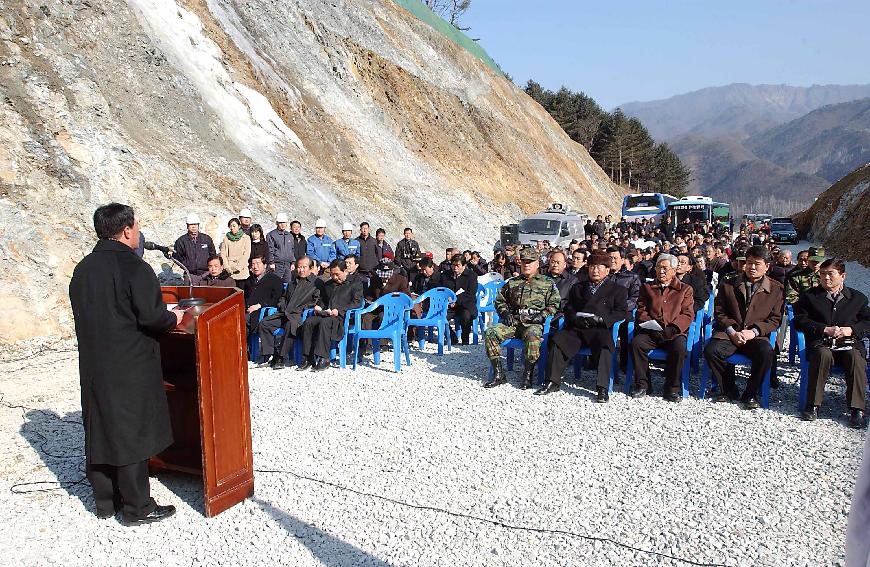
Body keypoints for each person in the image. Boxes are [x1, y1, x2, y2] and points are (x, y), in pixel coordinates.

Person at [69, 203, 183, 525]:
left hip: (94, 364)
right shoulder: (135, 267)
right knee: (130, 430)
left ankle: (105, 502)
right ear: (128, 230)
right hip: (129, 363)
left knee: (101, 426)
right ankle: (137, 507)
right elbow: (151, 317)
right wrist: (172, 316)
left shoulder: (83, 268)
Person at [536, 253, 627, 401]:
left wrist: (602, 319)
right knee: (559, 340)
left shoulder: (617, 290)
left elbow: (621, 312)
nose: (595, 271)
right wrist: (575, 318)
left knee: (606, 344)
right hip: (578, 327)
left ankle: (602, 388)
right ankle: (552, 381)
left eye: (599, 267)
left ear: (607, 270)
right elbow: (569, 307)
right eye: (591, 267)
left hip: (599, 328)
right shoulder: (578, 286)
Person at [704, 246, 783, 409]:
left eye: (757, 264)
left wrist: (753, 332)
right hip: (730, 334)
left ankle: (750, 393)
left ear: (767, 266)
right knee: (712, 350)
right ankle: (729, 390)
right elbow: (719, 313)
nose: (752, 267)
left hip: (755, 336)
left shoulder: (776, 289)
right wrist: (732, 331)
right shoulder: (728, 284)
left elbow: (775, 319)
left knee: (766, 353)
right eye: (749, 263)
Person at [794, 258, 870, 427]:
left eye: (830, 274)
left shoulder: (858, 298)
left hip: (849, 343)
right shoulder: (809, 297)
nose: (826, 278)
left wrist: (852, 330)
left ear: (843, 276)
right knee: (823, 355)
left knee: (855, 358)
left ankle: (857, 409)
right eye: (822, 274)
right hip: (822, 342)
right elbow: (799, 320)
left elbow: (867, 322)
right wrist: (824, 329)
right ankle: (813, 405)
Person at [483, 247, 560, 390]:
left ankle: (528, 374)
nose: (526, 265)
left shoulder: (547, 283)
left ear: (537, 264)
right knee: (491, 332)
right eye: (524, 262)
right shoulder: (512, 283)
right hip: (513, 322)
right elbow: (500, 301)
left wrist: (542, 316)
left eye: (530, 262)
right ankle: (499, 373)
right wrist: (505, 313)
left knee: (533, 336)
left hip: (532, 323)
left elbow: (555, 304)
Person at [629, 254, 695, 401]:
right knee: (636, 344)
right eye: (658, 267)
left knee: (679, 348)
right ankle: (643, 384)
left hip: (674, 332)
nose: (661, 271)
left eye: (665, 268)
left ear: (673, 270)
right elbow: (641, 310)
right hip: (652, 331)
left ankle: (672, 388)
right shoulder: (647, 287)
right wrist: (652, 326)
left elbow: (687, 314)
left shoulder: (685, 289)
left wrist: (673, 328)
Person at [297, 259, 364, 371]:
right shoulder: (328, 284)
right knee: (309, 322)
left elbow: (357, 303)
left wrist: (339, 310)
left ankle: (324, 358)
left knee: (325, 323)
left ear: (345, 271)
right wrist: (319, 306)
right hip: (327, 314)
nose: (334, 277)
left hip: (342, 317)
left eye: (337, 274)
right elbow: (323, 300)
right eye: (332, 274)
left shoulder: (355, 284)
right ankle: (308, 356)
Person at [257, 256, 322, 370]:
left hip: (299, 314)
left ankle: (281, 358)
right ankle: (271, 354)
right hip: (284, 312)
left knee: (289, 325)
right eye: (299, 267)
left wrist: (302, 308)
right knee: (264, 323)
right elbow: (283, 297)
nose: (301, 270)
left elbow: (315, 301)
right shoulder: (293, 282)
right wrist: (282, 305)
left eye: (304, 267)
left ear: (311, 268)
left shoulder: (316, 283)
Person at [243, 256, 283, 339]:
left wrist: (260, 305)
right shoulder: (249, 280)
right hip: (247, 310)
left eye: (258, 264)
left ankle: (242, 349)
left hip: (262, 312)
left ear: (265, 265)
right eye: (253, 264)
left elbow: (276, 299)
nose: (255, 267)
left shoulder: (274, 279)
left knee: (242, 321)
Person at [442, 254, 478, 345]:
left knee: (466, 316)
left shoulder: (471, 275)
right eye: (453, 265)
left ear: (464, 266)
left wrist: (456, 301)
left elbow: (470, 293)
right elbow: (442, 290)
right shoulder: (445, 275)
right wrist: (449, 301)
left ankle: (465, 338)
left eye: (458, 265)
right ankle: (452, 337)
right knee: (440, 317)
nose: (455, 268)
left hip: (466, 304)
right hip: (449, 305)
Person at [173, 213, 215, 281]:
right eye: (191, 225)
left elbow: (213, 255)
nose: (193, 227)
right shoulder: (181, 241)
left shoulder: (207, 239)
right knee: (189, 292)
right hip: (189, 275)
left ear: (198, 225)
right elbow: (176, 257)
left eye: (195, 224)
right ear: (187, 226)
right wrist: (187, 266)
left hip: (206, 275)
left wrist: (210, 268)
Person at [219, 217, 251, 287]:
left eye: (234, 226)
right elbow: (223, 254)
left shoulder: (246, 238)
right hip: (229, 271)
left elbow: (246, 254)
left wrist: (238, 267)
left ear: (239, 226)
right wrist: (227, 267)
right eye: (230, 226)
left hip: (241, 270)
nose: (232, 228)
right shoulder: (226, 238)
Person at [267, 213, 295, 283]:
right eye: (280, 223)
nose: (282, 224)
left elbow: (292, 250)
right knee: (276, 283)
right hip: (277, 265)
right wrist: (271, 262)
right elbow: (270, 249)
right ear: (277, 223)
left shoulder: (290, 235)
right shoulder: (271, 235)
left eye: (284, 222)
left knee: (287, 283)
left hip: (287, 265)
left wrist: (293, 262)